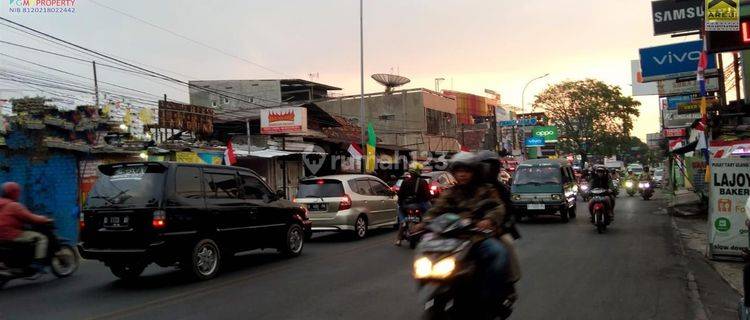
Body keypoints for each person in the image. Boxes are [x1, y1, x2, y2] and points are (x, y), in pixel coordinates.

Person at [426, 152, 510, 304]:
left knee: (499, 253)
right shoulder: (450, 192)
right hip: (453, 240)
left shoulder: (486, 190)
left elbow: (497, 207)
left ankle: (492, 297)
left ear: (474, 172)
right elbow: (435, 210)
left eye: (466, 171)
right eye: (458, 171)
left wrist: (488, 220)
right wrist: (423, 223)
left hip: (478, 238)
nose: (462, 175)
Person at [476, 150, 521, 284]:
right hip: (470, 230)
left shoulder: (501, 189)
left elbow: (509, 212)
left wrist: (500, 227)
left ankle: (510, 279)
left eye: (490, 166)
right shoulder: (471, 187)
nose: (487, 170)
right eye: (484, 166)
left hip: (496, 230)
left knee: (508, 243)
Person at [0, 182, 52, 273]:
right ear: (14, 193)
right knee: (41, 238)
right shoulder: (14, 206)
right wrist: (44, 219)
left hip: (2, 236)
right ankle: (37, 264)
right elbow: (30, 217)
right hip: (11, 234)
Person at [395, 162, 431, 246]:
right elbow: (427, 196)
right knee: (430, 216)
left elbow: (400, 195)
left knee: (402, 220)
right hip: (420, 205)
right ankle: (428, 232)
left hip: (406, 206)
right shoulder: (423, 182)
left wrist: (401, 204)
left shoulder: (404, 182)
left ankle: (398, 239)